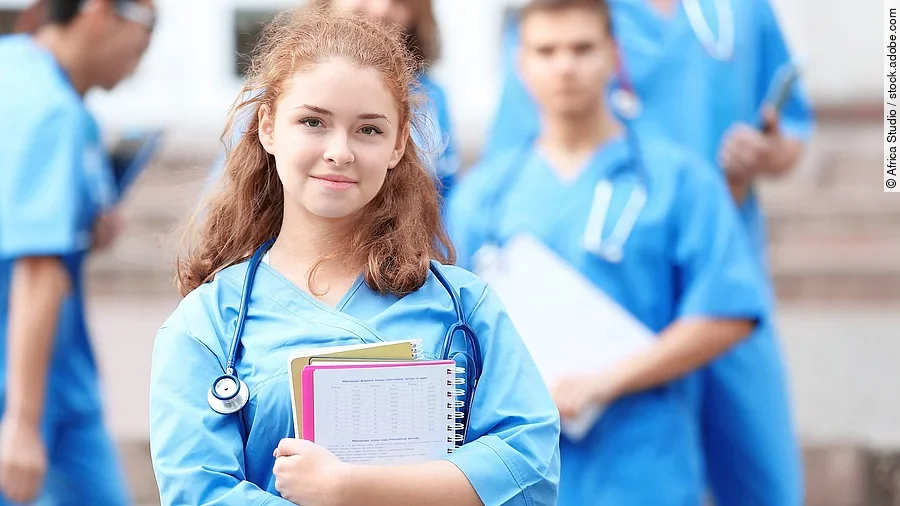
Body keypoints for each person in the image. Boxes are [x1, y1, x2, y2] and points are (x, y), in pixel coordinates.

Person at [148, 9, 560, 505]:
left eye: (368, 129)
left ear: (398, 143)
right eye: (313, 122)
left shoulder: (465, 305)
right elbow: (198, 492)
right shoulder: (207, 324)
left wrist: (351, 488)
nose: (339, 151)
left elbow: (530, 467)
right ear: (268, 127)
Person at [484, 0, 813, 503]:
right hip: (600, 279)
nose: (564, 64)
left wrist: (768, 153)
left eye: (581, 49)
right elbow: (509, 183)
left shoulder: (742, 11)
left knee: (757, 473)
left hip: (709, 261)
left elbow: (789, 125)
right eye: (549, 52)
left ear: (611, 54)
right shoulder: (497, 187)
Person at [0, 0, 155, 504]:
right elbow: (38, 268)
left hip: (57, 372)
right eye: (149, 22)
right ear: (99, 11)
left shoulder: (31, 80)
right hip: (26, 386)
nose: (147, 48)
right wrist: (22, 425)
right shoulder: (49, 110)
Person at [209, 0, 459, 200]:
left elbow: (446, 194)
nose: (382, 8)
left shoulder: (431, 98)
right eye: (313, 121)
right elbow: (228, 194)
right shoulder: (277, 86)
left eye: (369, 129)